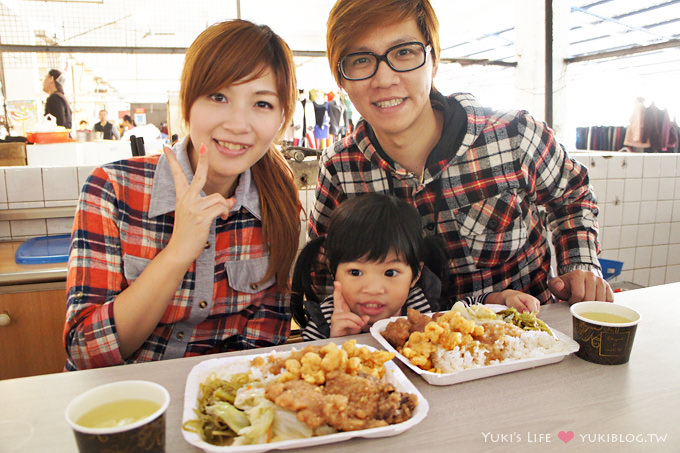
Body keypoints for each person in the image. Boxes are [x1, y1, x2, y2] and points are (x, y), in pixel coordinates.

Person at [309, 0, 613, 306]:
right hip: (401, 349)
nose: (385, 79)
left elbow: (572, 194)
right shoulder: (340, 169)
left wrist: (579, 264)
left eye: (404, 52)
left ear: (434, 60)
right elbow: (322, 273)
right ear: (341, 79)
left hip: (529, 342)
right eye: (361, 60)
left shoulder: (514, 135)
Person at [63, 19, 301, 370]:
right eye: (218, 96)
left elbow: (264, 347)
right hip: (122, 404)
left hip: (224, 406)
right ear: (188, 104)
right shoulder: (112, 189)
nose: (238, 123)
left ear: (282, 117)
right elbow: (85, 352)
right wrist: (178, 253)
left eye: (262, 104)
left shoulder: (278, 201)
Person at [294, 193, 540, 340]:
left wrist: (503, 298)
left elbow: (466, 310)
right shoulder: (324, 322)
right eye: (355, 272)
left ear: (415, 275)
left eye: (390, 273)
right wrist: (336, 343)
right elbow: (308, 377)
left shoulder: (421, 306)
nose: (373, 288)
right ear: (334, 270)